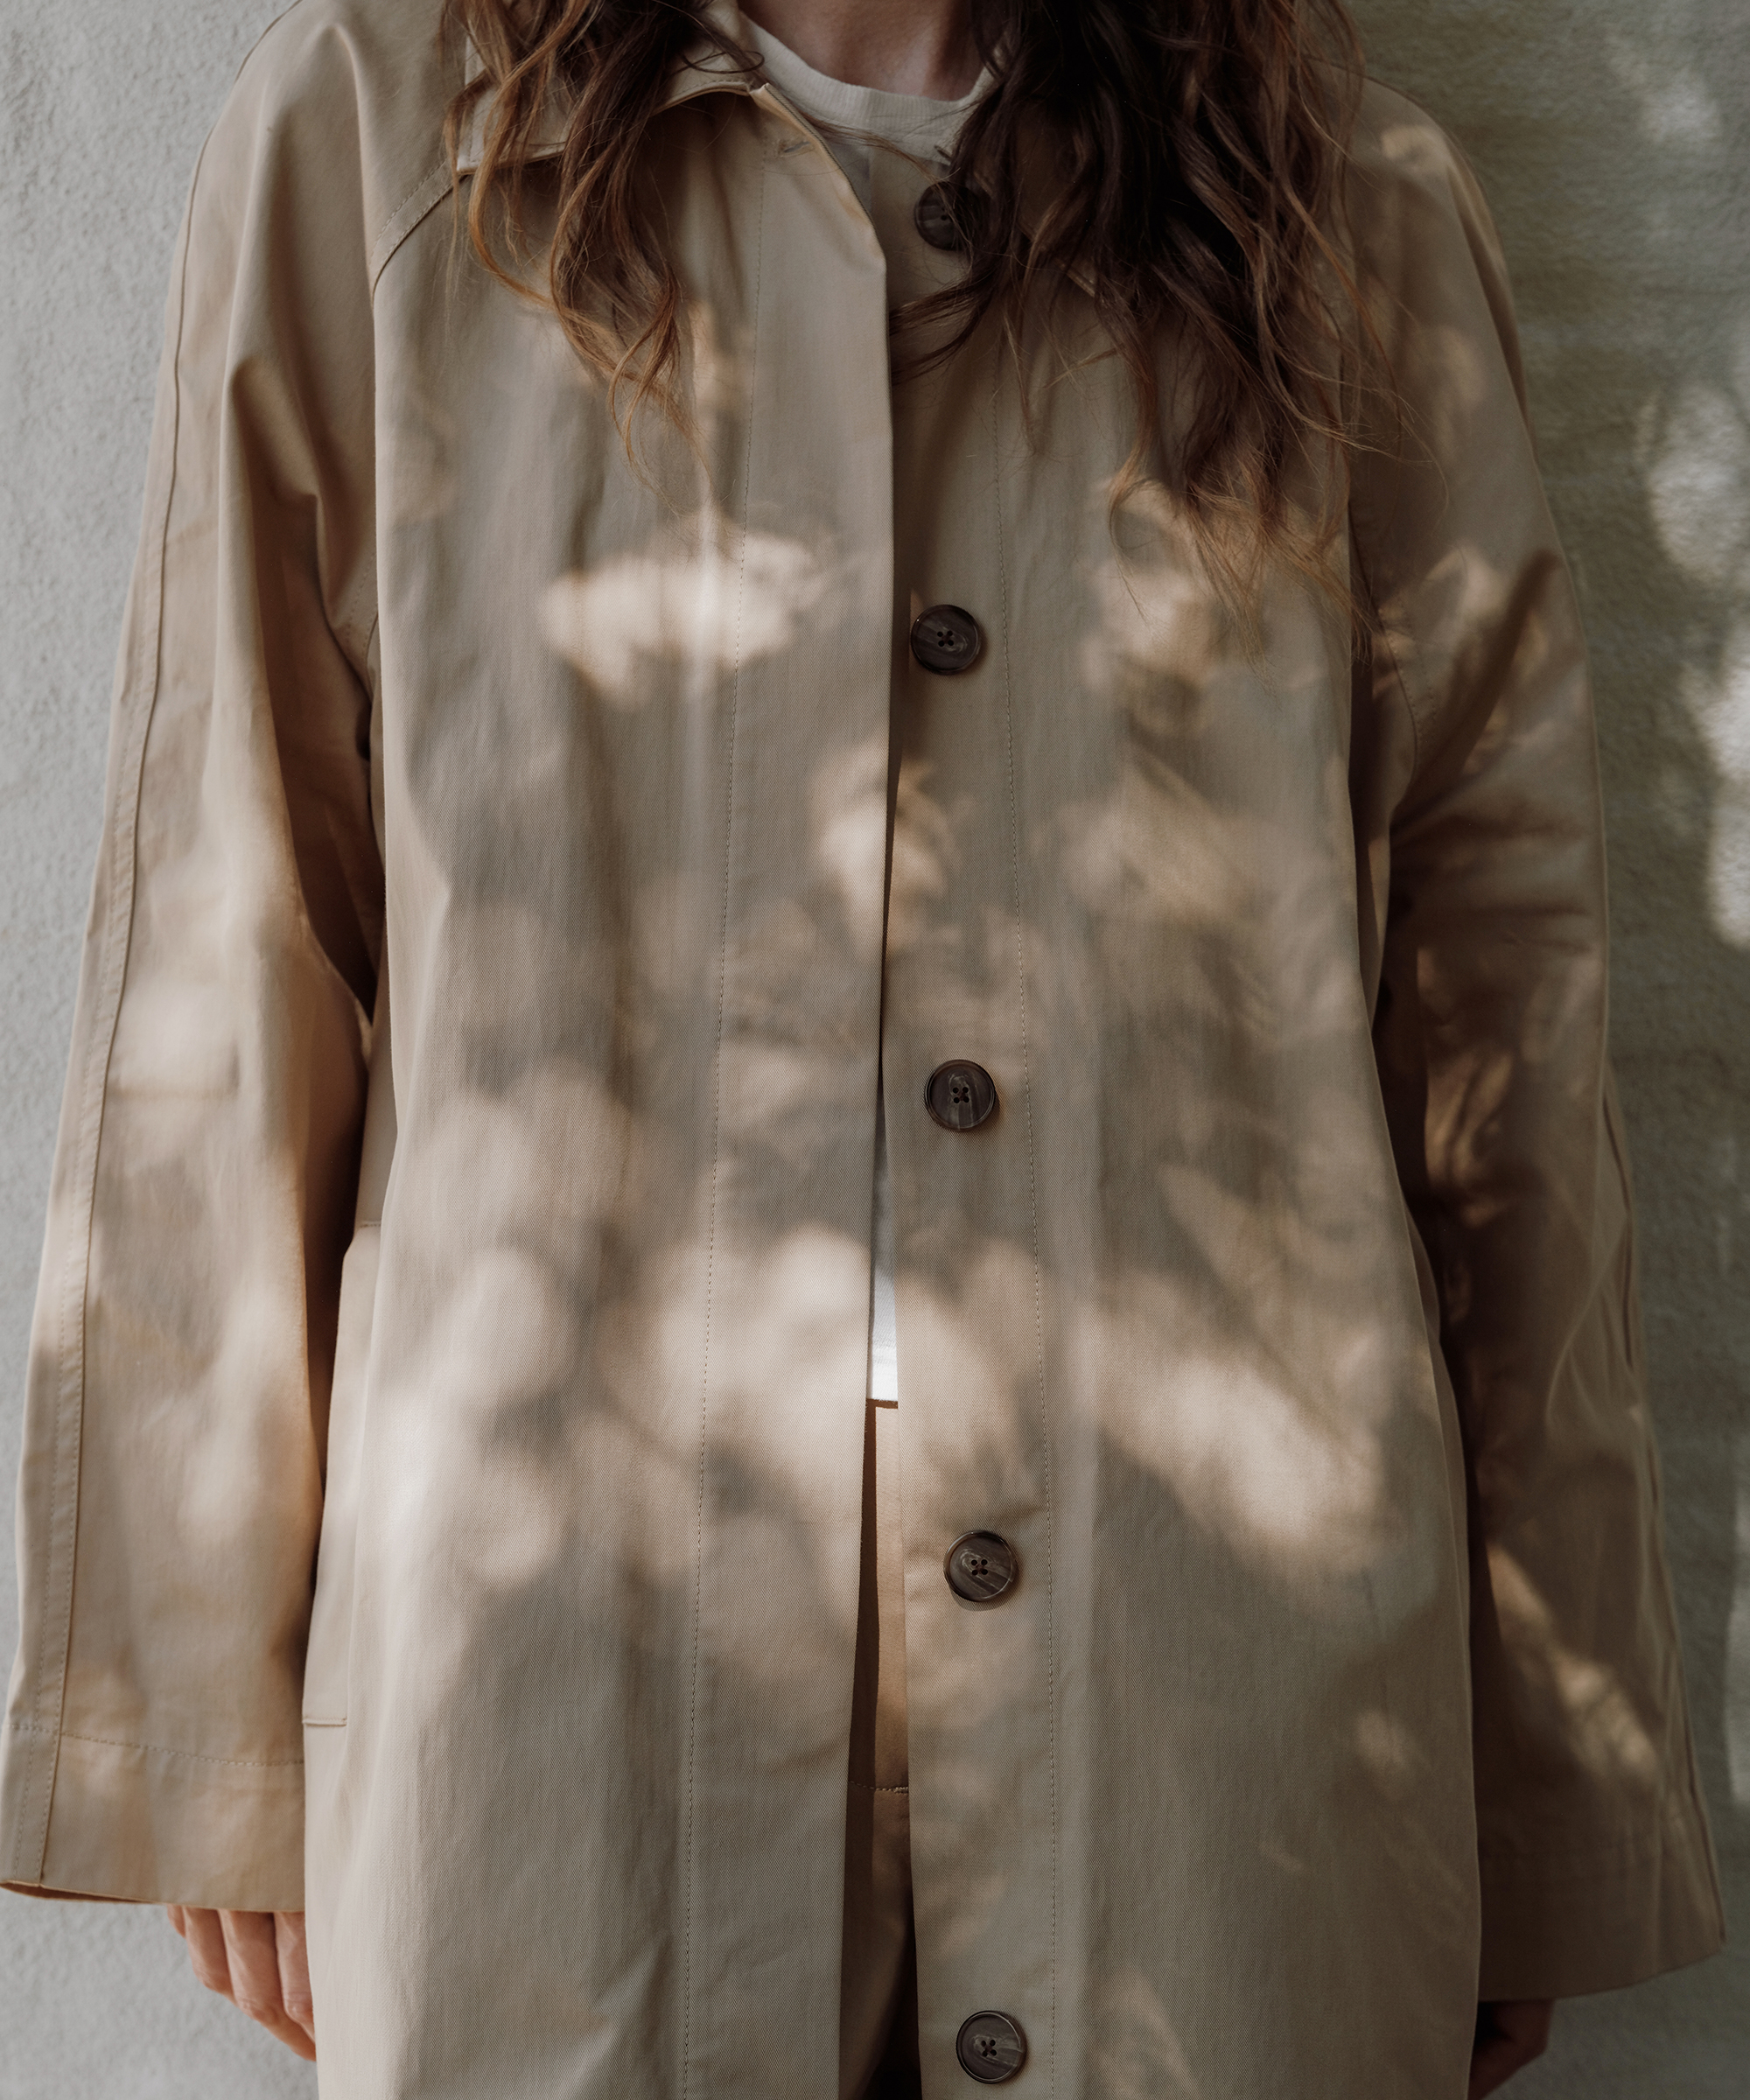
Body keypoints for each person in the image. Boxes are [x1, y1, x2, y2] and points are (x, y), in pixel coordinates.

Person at [0, 0, 1725, 2092]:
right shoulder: (378, 149)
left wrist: (1542, 1797)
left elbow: (1499, 1018)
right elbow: (232, 913)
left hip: (1211, 1721)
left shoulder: (1344, 204)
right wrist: (197, 1713)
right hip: (577, 1724)